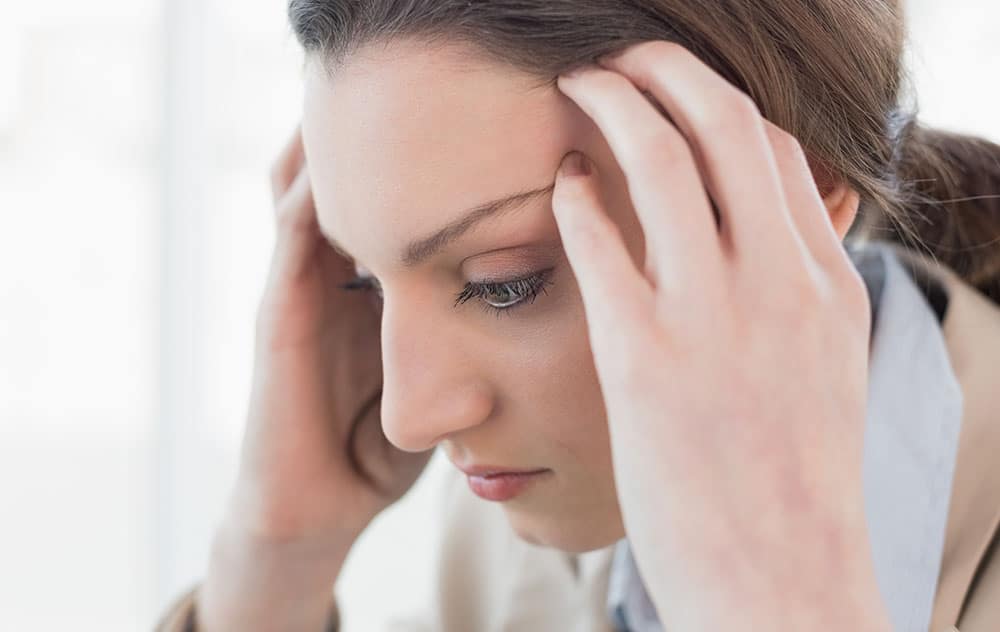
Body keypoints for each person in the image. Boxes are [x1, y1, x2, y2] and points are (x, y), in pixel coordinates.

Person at [156, 1, 1000, 630]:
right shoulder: (518, 547)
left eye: (504, 283)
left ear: (802, 190)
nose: (408, 419)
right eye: (364, 282)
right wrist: (276, 555)